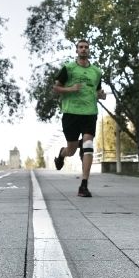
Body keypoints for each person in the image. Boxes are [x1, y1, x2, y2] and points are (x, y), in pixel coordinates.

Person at [53, 39, 106, 197]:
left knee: (88, 145)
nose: (83, 49)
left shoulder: (96, 72)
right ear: (76, 51)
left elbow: (96, 91)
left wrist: (100, 95)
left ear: (89, 50)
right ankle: (62, 155)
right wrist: (70, 89)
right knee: (72, 149)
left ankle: (84, 185)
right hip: (71, 113)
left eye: (86, 47)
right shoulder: (68, 68)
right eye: (81, 47)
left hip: (90, 113)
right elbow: (56, 88)